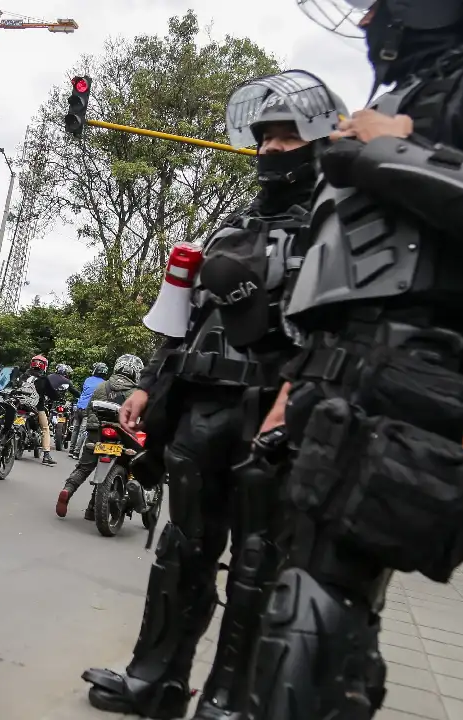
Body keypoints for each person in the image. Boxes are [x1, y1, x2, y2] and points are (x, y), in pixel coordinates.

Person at [245, 2, 463, 717]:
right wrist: (297, 377)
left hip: (403, 374)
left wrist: (387, 149)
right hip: (336, 373)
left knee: (312, 611)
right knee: (308, 594)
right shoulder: (398, 99)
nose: (369, 16)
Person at [82, 69, 346, 720]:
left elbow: (344, 331)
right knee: (181, 549)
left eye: (287, 138)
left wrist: (300, 396)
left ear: (317, 144)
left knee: (260, 563)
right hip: (202, 407)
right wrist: (149, 384)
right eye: (264, 138)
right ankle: (155, 680)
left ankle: (230, 702)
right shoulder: (229, 228)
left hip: (274, 414)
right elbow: (185, 320)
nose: (270, 150)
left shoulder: (337, 229)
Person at [56, 355, 143, 519]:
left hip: (97, 432)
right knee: (114, 468)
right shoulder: (136, 392)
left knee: (84, 467)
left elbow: (90, 410)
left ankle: (68, 490)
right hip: (122, 435)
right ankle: (92, 510)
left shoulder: (102, 386)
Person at [9, 355, 67, 466]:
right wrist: (58, 397)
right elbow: (53, 394)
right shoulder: (43, 379)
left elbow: (15, 385)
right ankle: (46, 455)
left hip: (19, 404)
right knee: (45, 428)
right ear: (44, 366)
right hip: (36, 407)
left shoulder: (24, 375)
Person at [70, 362, 109, 458]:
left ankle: (71, 450)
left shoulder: (88, 380)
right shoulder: (104, 384)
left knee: (75, 428)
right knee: (83, 431)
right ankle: (76, 452)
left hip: (79, 406)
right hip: (88, 409)